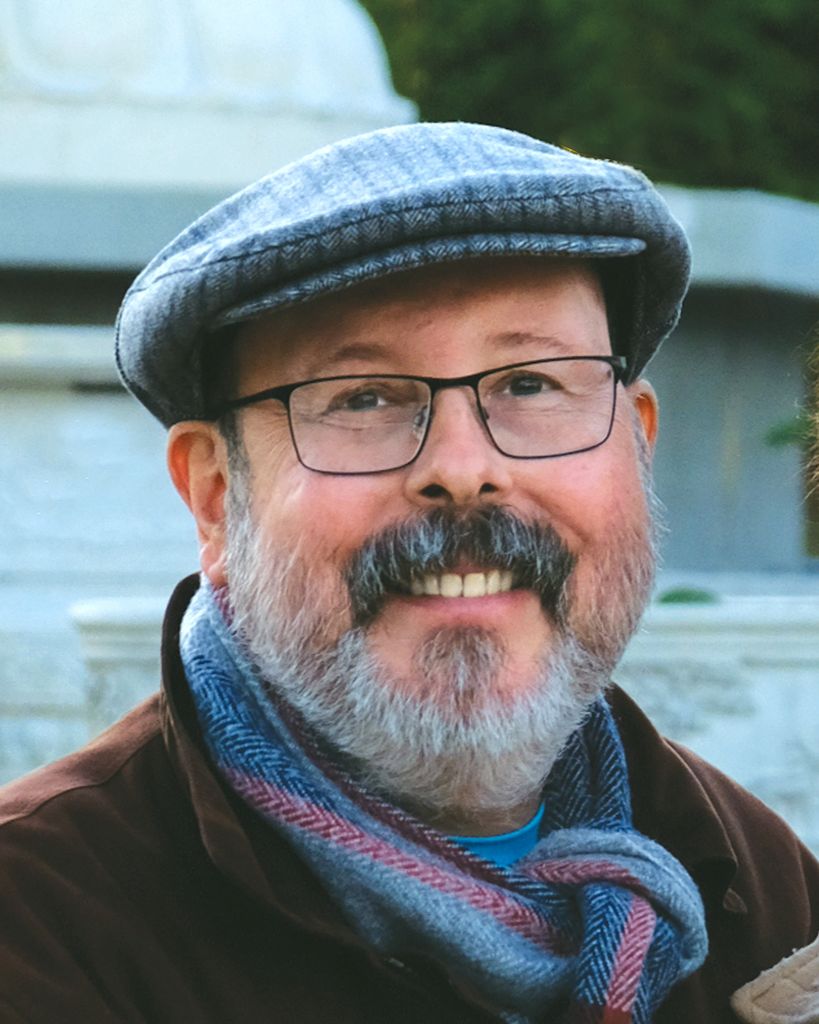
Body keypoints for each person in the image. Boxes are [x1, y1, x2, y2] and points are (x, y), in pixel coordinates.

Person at [1, 123, 817, 1024]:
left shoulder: (756, 880)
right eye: (364, 398)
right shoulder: (39, 917)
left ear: (639, 448)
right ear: (215, 496)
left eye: (532, 383)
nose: (462, 467)